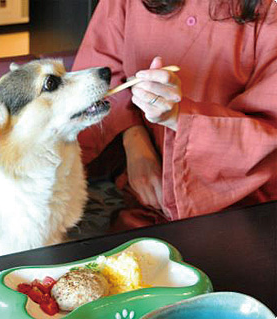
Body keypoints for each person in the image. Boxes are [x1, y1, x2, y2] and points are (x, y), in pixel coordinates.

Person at [73, 0, 277, 230]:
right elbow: (98, 73)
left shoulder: (270, 11)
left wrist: (177, 116)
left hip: (240, 208)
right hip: (142, 201)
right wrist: (135, 143)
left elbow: (269, 134)